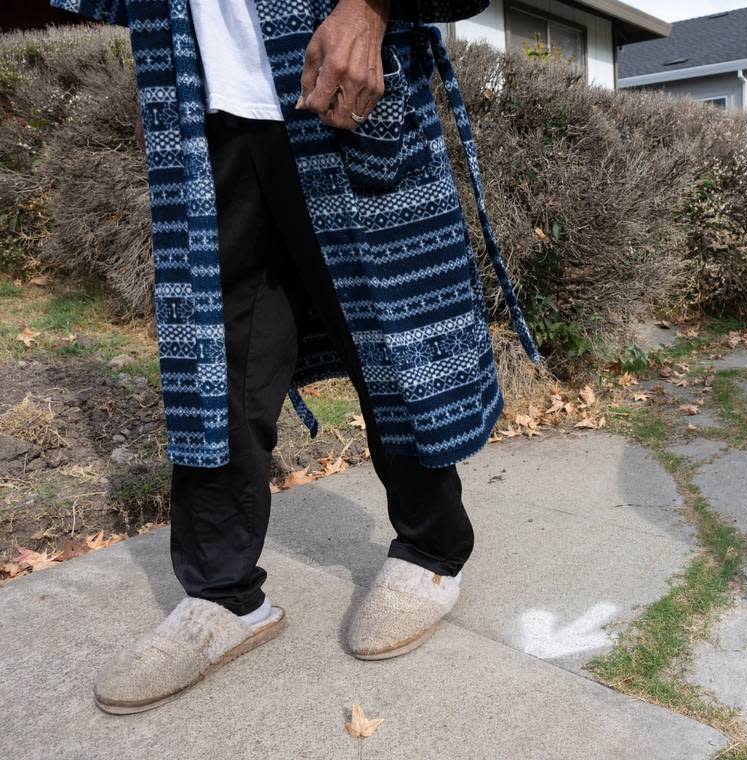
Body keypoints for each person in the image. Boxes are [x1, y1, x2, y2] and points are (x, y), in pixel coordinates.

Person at [49, 0, 538, 714]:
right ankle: (223, 594)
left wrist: (369, 8)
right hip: (205, 108)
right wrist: (159, 65)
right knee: (216, 361)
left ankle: (431, 551)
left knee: (384, 332)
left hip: (336, 95)